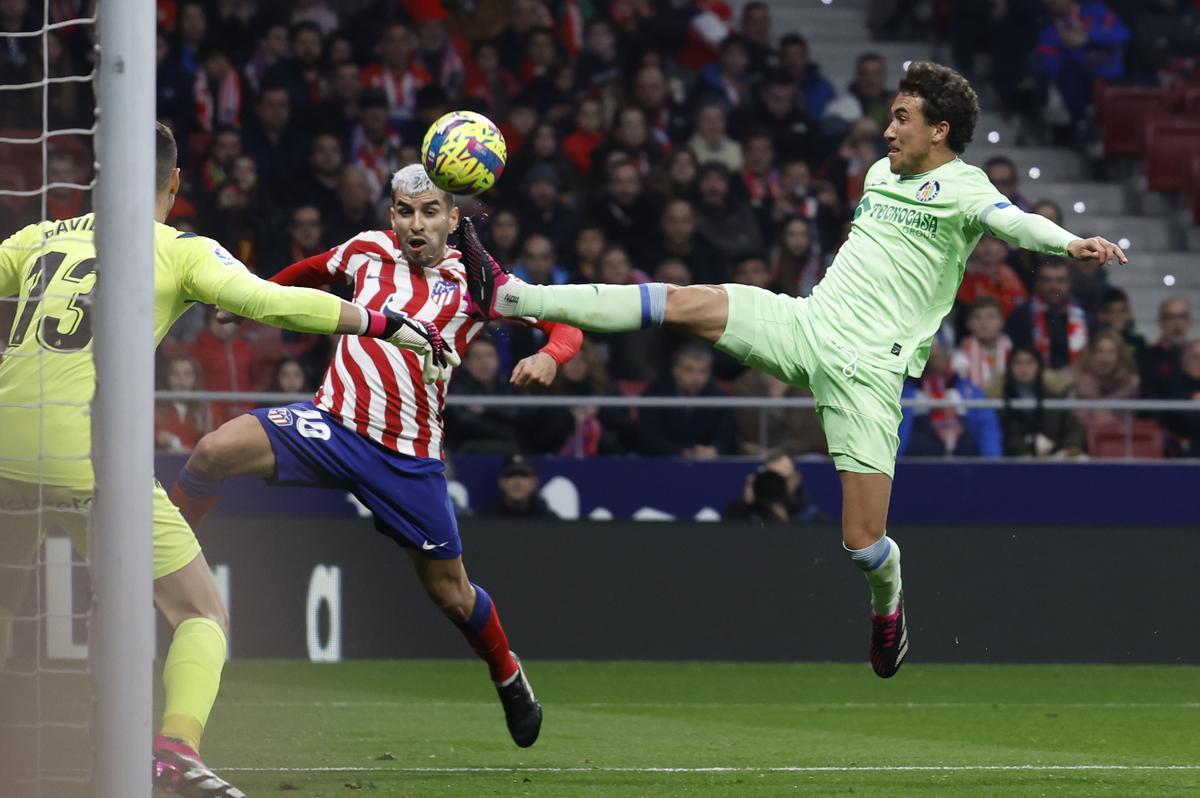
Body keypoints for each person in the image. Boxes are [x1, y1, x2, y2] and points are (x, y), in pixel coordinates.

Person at [461, 61, 1127, 679]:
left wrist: (1071, 243)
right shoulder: (877, 175)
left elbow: (1013, 225)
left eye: (902, 117)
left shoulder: (965, 187)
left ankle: (887, 606)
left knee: (863, 545)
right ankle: (517, 296)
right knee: (684, 300)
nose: (888, 128)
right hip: (808, 325)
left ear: (939, 129)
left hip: (868, 374)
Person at [0, 123, 445, 798]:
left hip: (5, 446)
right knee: (201, 613)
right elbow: (270, 302)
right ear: (174, 184)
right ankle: (175, 751)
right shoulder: (177, 249)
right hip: (91, 458)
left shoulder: (39, 238)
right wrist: (385, 322)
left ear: (97, 176)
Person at [169, 164, 584, 752]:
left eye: (431, 212)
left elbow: (564, 321)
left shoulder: (480, 283)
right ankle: (163, 569)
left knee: (451, 594)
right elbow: (309, 272)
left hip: (407, 458)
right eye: (406, 212)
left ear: (453, 219)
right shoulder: (366, 249)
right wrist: (250, 301)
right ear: (392, 215)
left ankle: (508, 674)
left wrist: (551, 357)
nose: (417, 224)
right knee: (212, 451)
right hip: (331, 423)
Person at [898, 340, 1002, 458]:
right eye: (928, 356)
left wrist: (991, 465)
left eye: (938, 356)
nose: (932, 361)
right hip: (916, 464)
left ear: (949, 359)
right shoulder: (904, 392)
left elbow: (987, 429)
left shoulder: (968, 391)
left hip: (965, 463)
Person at [994, 346, 1086, 458]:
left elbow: (1073, 427)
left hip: (1056, 456)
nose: (1024, 368)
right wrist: (1031, 447)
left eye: (1029, 363)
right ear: (1009, 368)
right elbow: (1002, 438)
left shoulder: (1054, 397)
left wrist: (1070, 448)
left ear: (1039, 366)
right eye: (1018, 363)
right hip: (1017, 460)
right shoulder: (998, 402)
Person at [1005, 258, 1089, 379]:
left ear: (1069, 283)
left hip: (1078, 381)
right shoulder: (1021, 315)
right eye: (1047, 280)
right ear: (1038, 283)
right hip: (1033, 382)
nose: (1054, 286)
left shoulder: (1084, 313)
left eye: (1060, 281)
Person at [1073, 329, 1140, 429]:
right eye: (1100, 351)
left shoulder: (1131, 383)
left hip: (1119, 438)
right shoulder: (1078, 377)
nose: (1105, 358)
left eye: (1111, 352)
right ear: (1092, 354)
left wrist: (1126, 389)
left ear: (1119, 356)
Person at [952, 297, 1012, 389]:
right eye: (978, 318)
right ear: (969, 323)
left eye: (991, 317)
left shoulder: (1013, 350)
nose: (984, 323)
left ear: (1001, 321)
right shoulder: (960, 356)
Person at [1139, 297, 1192, 400]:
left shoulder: (1195, 357)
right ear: (1160, 321)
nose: (1177, 323)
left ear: (1189, 321)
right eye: (1170, 317)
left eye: (1182, 317)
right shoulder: (1145, 358)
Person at [490, 454, 558, 518]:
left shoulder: (550, 520)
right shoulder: (487, 518)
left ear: (534, 483)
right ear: (502, 482)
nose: (517, 481)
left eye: (524, 475)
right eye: (511, 475)